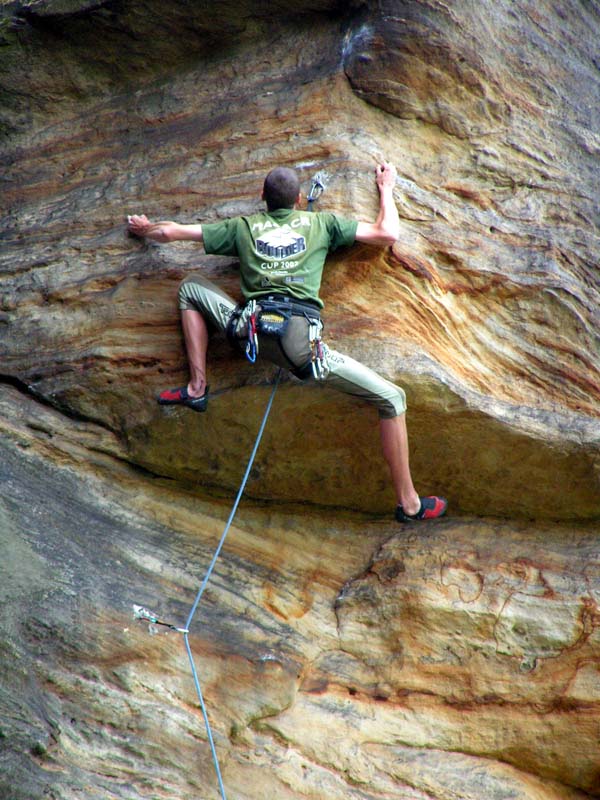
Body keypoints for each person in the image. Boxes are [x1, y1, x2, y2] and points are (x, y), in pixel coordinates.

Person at [127, 162, 447, 523]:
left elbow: (172, 233)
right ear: (298, 199)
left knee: (191, 287)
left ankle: (197, 387)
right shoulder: (322, 224)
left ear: (262, 197)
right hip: (302, 350)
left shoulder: (243, 227)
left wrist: (144, 228)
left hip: (248, 334)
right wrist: (386, 188)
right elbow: (387, 233)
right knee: (392, 398)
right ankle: (410, 504)